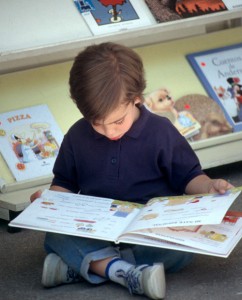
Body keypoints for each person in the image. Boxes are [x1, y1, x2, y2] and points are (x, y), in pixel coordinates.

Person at [31, 42, 233, 300]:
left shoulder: (161, 131)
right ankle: (125, 272)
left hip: (149, 231)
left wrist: (209, 187)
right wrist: (48, 203)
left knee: (183, 250)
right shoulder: (77, 135)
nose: (110, 131)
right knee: (55, 235)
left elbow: (189, 176)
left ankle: (86, 266)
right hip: (97, 229)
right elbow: (65, 183)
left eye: (117, 121)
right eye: (97, 123)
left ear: (136, 98)